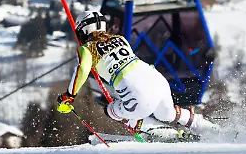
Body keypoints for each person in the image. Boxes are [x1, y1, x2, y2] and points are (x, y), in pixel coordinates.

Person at [56, 10, 217, 135]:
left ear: (82, 31)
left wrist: (70, 95)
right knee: (167, 113)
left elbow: (82, 69)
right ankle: (207, 127)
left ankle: (153, 131)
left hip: (137, 95)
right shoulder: (119, 38)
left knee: (110, 110)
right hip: (157, 80)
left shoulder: (86, 49)